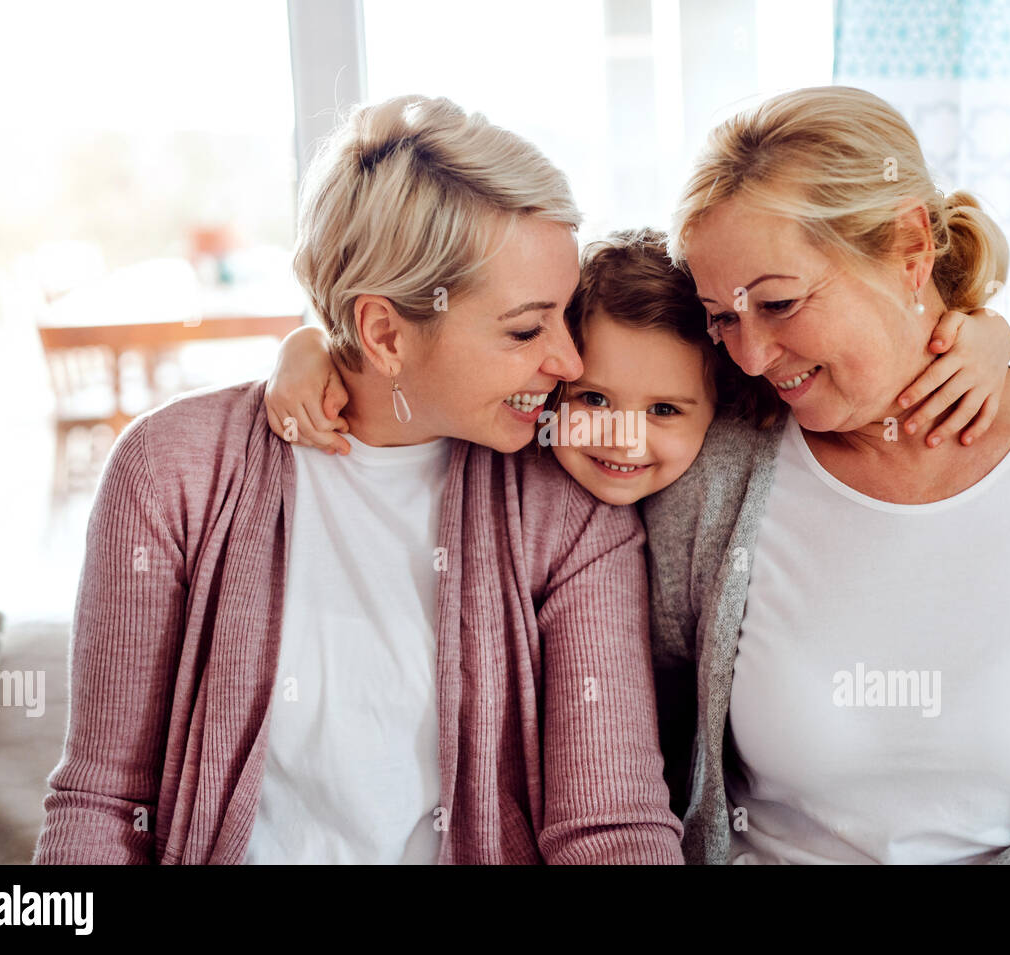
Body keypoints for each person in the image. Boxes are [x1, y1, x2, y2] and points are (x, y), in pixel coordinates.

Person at [33, 95, 685, 865]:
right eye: (523, 329)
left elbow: (610, 829)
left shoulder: (569, 501)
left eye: (565, 316)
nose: (569, 363)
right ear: (384, 332)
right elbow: (104, 803)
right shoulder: (171, 471)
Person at [645, 85, 1010, 864]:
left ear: (910, 248)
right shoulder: (712, 468)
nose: (751, 356)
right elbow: (641, 772)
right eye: (722, 317)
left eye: (781, 303)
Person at [268, 230, 1010, 507]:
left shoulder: (739, 423)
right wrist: (305, 347)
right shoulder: (519, 433)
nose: (624, 438)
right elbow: (437, 366)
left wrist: (988, 334)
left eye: (664, 411)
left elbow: (832, 355)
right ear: (554, 379)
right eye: (594, 396)